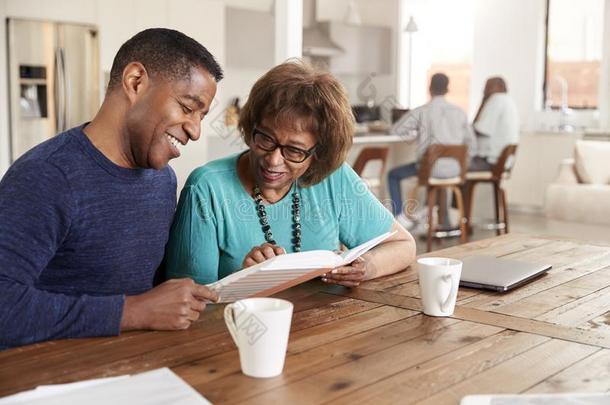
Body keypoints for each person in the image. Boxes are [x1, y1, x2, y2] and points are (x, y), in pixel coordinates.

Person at [0, 28, 223, 349]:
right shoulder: (46, 175)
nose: (195, 130)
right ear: (135, 82)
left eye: (201, 116)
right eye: (188, 108)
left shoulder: (162, 180)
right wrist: (131, 312)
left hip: (135, 366)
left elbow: (154, 293)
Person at [165, 61, 415, 287]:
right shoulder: (207, 188)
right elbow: (187, 303)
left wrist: (366, 266)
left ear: (319, 153)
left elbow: (403, 245)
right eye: (265, 139)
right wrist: (244, 282)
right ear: (251, 127)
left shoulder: (333, 178)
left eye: (294, 151)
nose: (273, 160)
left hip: (327, 328)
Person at [387, 73, 476, 230]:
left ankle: (400, 218)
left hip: (429, 170)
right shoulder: (459, 112)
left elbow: (396, 129)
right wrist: (463, 164)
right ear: (447, 89)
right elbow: (472, 145)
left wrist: (417, 135)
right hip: (456, 171)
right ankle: (442, 220)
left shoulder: (422, 111)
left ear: (430, 88)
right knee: (437, 177)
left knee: (393, 174)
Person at [470, 77, 519, 171]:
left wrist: (464, 130)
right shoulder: (509, 101)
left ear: (500, 87)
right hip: (504, 161)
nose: (484, 91)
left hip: (490, 161)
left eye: (488, 87)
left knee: (455, 168)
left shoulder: (496, 99)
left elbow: (480, 130)